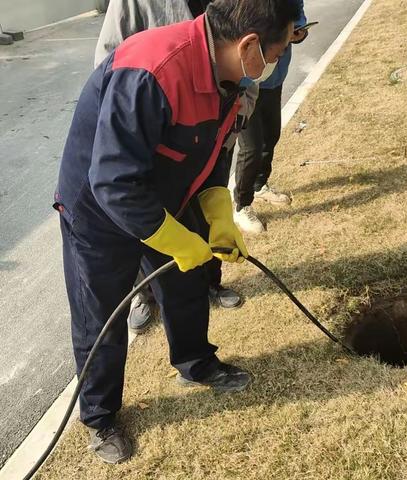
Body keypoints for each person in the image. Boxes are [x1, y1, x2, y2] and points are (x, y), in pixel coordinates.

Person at [55, 0, 300, 463]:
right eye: (280, 48)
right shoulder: (152, 71)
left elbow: (211, 155)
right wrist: (174, 239)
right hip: (98, 207)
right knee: (100, 312)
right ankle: (100, 415)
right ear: (250, 45)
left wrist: (218, 214)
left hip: (166, 190)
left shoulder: (231, 78)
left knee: (188, 280)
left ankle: (195, 363)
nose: (278, 60)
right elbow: (112, 181)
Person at [94, 0, 252, 335]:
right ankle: (144, 293)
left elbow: (247, 70)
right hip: (147, 144)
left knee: (194, 255)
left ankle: (199, 337)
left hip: (207, 133)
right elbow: (111, 59)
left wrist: (232, 116)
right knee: (149, 239)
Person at [233, 0, 308, 234]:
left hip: (274, 79)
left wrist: (298, 33)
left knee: (271, 135)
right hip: (247, 81)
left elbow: (300, 24)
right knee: (251, 148)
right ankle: (241, 205)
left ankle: (259, 185)